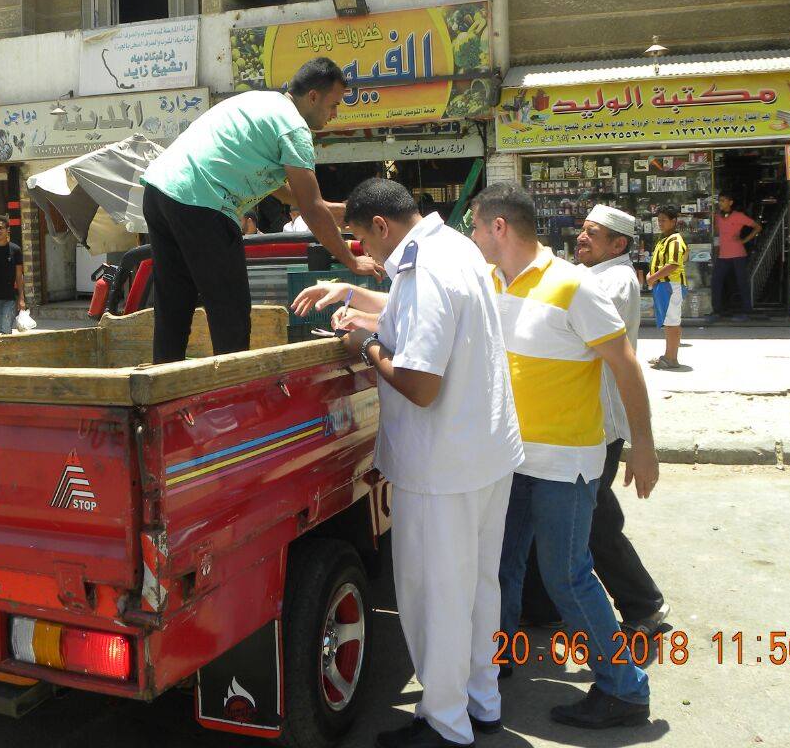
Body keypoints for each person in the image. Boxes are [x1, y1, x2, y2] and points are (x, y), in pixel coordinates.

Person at [292, 179, 523, 748]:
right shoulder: (453, 247)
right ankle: (481, 701)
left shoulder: (422, 270)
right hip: (485, 455)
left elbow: (419, 384)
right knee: (476, 587)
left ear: (382, 226)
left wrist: (362, 347)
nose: (363, 255)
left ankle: (445, 723)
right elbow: (409, 310)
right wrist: (349, 294)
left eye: (359, 241)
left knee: (433, 595)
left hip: (441, 466)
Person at [469, 183, 657, 730]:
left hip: (564, 464)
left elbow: (626, 367)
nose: (474, 237)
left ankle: (624, 688)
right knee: (502, 568)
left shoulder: (575, 286)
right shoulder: (489, 280)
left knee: (567, 575)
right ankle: (495, 662)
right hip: (511, 460)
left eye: (477, 227)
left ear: (498, 227)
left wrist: (642, 447)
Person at [141, 56, 380, 362]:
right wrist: (352, 261)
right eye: (333, 105)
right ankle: (234, 395)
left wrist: (350, 213)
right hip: (203, 202)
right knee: (230, 311)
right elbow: (311, 208)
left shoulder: (260, 103)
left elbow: (293, 197)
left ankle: (163, 382)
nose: (334, 114)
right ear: (313, 97)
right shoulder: (294, 128)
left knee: (174, 304)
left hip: (160, 191)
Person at [574, 204, 670, 636]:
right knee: (579, 514)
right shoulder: (594, 275)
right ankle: (539, 606)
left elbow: (569, 328)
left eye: (591, 234)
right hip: (580, 418)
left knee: (594, 520)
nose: (581, 238)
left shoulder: (614, 281)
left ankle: (643, 605)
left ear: (619, 244)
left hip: (600, 421)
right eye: (582, 230)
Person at [646, 205, 688, 370]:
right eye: (659, 220)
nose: (660, 223)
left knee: (672, 322)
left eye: (663, 220)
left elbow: (673, 264)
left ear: (673, 221)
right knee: (669, 321)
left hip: (671, 285)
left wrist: (652, 278)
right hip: (665, 285)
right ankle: (668, 356)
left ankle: (671, 359)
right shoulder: (665, 239)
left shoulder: (674, 240)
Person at [710, 190, 759, 321]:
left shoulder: (738, 216)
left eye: (723, 201)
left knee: (742, 283)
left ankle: (747, 312)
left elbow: (757, 227)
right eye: (719, 201)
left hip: (738, 254)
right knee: (716, 281)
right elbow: (717, 233)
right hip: (722, 256)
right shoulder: (717, 216)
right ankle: (717, 311)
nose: (720, 203)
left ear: (730, 202)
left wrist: (744, 240)